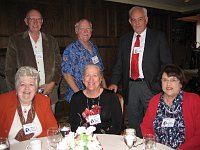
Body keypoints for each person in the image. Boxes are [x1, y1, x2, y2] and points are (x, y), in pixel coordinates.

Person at [108, 6, 172, 137]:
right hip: (130, 86)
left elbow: (167, 64)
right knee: (133, 120)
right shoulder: (124, 39)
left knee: (154, 119)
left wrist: (161, 84)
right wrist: (114, 82)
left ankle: (152, 144)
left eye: (140, 19)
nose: (137, 23)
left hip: (151, 86)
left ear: (146, 20)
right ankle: (135, 142)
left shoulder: (158, 37)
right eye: (133, 20)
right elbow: (119, 63)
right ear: (130, 22)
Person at [5, 9, 61, 113]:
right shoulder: (16, 41)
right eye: (32, 19)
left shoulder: (52, 41)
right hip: (25, 95)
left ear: (42, 22)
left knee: (48, 125)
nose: (36, 22)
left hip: (49, 94)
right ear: (26, 21)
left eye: (38, 19)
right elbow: (9, 71)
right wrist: (16, 94)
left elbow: (58, 66)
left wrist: (53, 83)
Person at [140, 64, 200, 150]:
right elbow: (145, 126)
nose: (168, 84)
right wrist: (152, 144)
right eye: (165, 80)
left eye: (173, 80)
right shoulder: (155, 100)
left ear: (181, 84)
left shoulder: (194, 100)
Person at [0, 66, 58, 144]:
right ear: (16, 86)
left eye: (31, 84)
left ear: (36, 88)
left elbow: (53, 128)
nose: (27, 88)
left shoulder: (43, 101)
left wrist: (34, 144)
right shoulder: (3, 101)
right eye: (22, 84)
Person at [61, 19, 106, 103]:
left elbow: (100, 70)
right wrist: (80, 95)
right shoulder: (70, 49)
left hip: (96, 94)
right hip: (78, 95)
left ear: (91, 31)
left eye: (88, 28)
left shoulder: (94, 48)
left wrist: (105, 89)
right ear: (76, 31)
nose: (85, 31)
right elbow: (67, 74)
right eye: (82, 28)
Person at [70, 64, 122, 134]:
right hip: (84, 139)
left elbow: (117, 125)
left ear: (100, 79)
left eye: (95, 75)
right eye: (87, 75)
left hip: (108, 138)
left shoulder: (111, 97)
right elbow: (74, 125)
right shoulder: (76, 98)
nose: (91, 79)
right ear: (83, 79)